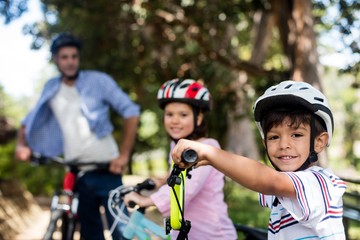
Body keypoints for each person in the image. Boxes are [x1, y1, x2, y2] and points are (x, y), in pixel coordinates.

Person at [171, 80, 347, 239]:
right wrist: (213, 161)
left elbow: (267, 180)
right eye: (274, 137)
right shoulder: (284, 191)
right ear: (265, 143)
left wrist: (211, 153)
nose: (284, 144)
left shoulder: (319, 183)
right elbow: (253, 176)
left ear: (319, 142)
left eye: (296, 134)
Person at [15, 32, 140, 240]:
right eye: (64, 57)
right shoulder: (51, 88)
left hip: (108, 169)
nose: (70, 62)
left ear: (79, 58)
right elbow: (27, 122)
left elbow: (131, 112)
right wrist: (22, 144)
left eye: (74, 56)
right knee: (90, 236)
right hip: (78, 175)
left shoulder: (99, 81)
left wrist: (124, 155)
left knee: (122, 234)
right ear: (56, 59)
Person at [124, 79, 237, 239]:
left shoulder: (207, 148)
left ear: (198, 118)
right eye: (169, 114)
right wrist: (162, 180)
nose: (175, 120)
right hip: (185, 232)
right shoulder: (176, 146)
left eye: (183, 115)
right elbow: (178, 173)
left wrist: (146, 201)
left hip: (211, 234)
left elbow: (187, 188)